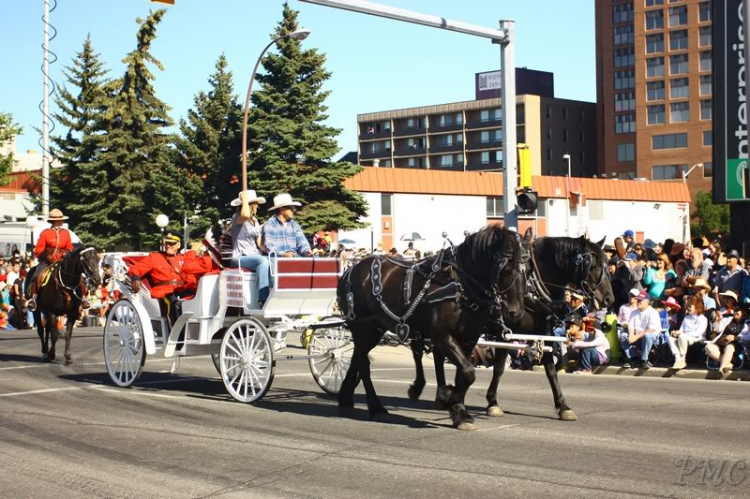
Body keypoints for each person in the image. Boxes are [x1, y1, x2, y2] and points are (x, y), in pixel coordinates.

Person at [128, 233, 216, 326]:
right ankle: (175, 330)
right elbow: (135, 269)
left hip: (182, 290)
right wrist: (135, 278)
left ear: (178, 245)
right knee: (173, 303)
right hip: (164, 293)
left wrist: (190, 288)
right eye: (166, 243)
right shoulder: (155, 257)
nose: (168, 246)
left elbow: (190, 276)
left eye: (171, 244)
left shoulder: (183, 258)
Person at [25, 209, 76, 310]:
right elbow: (38, 249)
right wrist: (47, 256)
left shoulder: (66, 233)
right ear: (53, 221)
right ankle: (33, 298)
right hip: (47, 261)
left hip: (62, 261)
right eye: (58, 220)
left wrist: (67, 252)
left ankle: (82, 298)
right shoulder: (45, 233)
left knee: (78, 275)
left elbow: (70, 247)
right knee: (38, 274)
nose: (61, 222)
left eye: (61, 220)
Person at [229, 189, 272, 304]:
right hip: (239, 257)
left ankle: (274, 291)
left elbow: (259, 244)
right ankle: (264, 298)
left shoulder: (255, 221)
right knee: (262, 261)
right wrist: (245, 200)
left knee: (273, 260)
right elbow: (245, 214)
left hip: (253, 256)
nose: (257, 207)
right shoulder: (237, 218)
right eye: (255, 205)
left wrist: (273, 252)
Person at [262, 193, 313, 258]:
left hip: (294, 259)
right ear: (282, 209)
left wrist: (307, 251)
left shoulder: (295, 225)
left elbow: (302, 243)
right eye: (291, 208)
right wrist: (283, 255)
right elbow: (269, 247)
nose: (293, 210)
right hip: (277, 261)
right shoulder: (270, 225)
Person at [705, 306, 748, 375]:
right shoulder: (728, 319)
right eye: (735, 311)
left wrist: (735, 338)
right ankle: (729, 362)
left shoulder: (746, 324)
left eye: (738, 311)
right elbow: (718, 329)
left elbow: (747, 337)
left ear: (744, 313)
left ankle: (721, 369)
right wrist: (718, 321)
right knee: (708, 347)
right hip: (721, 341)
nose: (735, 313)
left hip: (735, 344)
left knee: (729, 348)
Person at [668, 296, 707, 370]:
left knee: (682, 337)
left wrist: (683, 334)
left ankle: (683, 359)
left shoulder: (702, 318)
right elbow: (681, 330)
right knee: (670, 338)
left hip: (698, 338)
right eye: (688, 306)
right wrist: (676, 333)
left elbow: (698, 333)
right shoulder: (686, 318)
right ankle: (678, 359)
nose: (688, 308)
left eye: (690, 306)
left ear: (697, 308)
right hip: (685, 338)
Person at [626, 291, 662, 369]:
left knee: (647, 335)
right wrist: (631, 335)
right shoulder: (634, 312)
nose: (638, 302)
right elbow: (631, 326)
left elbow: (651, 330)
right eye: (638, 300)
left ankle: (644, 360)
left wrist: (636, 337)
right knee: (623, 335)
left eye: (640, 300)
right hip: (638, 336)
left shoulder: (653, 312)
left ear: (647, 302)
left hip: (653, 337)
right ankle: (634, 358)